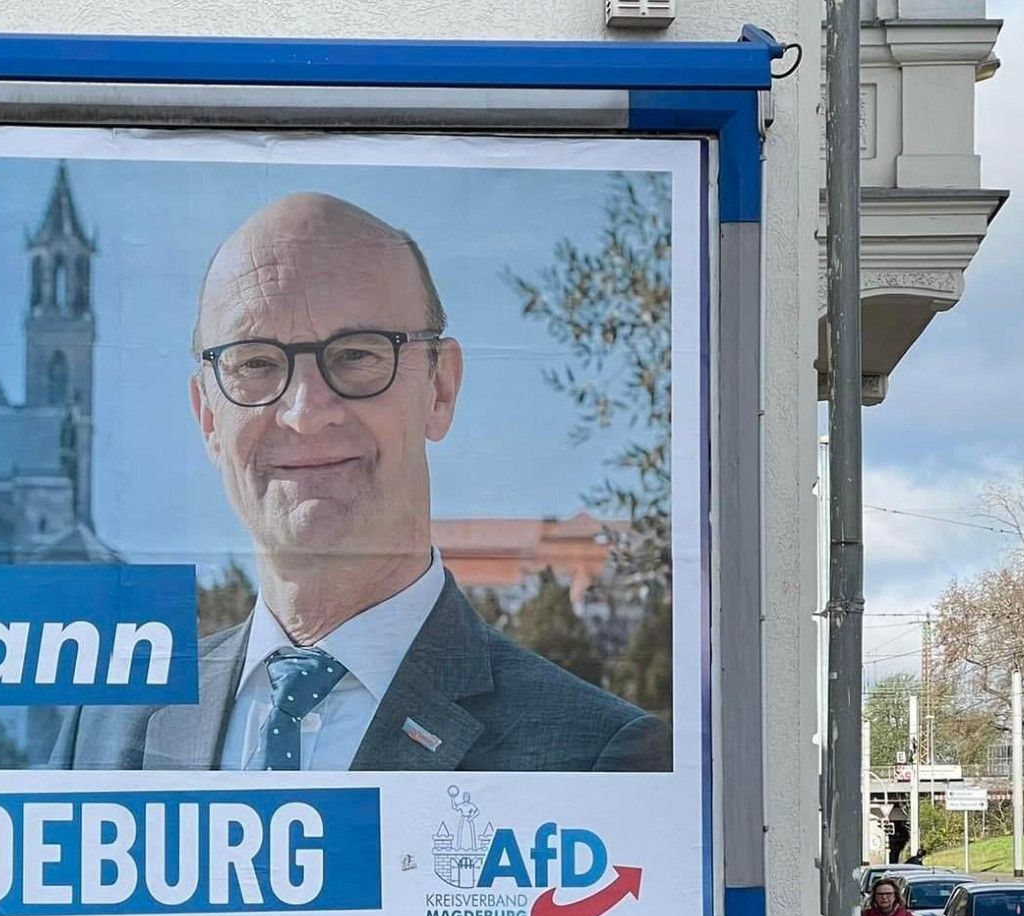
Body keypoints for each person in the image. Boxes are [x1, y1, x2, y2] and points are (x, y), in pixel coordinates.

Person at [52, 192, 669, 772]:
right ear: (209, 417)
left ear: (440, 389)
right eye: (256, 364)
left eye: (356, 355)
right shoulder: (104, 731)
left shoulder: (591, 755)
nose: (304, 411)